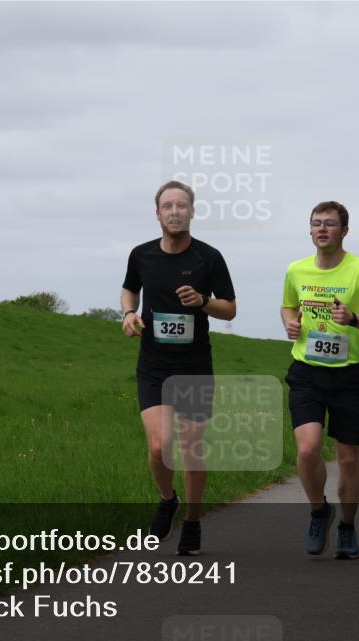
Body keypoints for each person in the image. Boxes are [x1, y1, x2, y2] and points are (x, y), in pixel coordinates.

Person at [121, 181, 236, 556]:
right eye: (167, 206)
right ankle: (168, 499)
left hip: (194, 366)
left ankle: (193, 520)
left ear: (192, 212)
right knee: (159, 446)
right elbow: (129, 289)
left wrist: (203, 301)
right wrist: (128, 312)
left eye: (181, 205)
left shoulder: (209, 257)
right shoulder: (141, 255)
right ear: (157, 213)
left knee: (191, 449)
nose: (174, 211)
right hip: (154, 365)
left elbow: (230, 308)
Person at [281, 201, 359, 559]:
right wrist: (289, 322)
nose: (322, 229)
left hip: (350, 374)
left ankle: (346, 526)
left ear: (345, 230)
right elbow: (288, 305)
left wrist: (355, 320)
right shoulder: (296, 271)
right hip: (307, 372)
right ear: (309, 230)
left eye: (330, 224)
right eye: (316, 223)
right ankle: (318, 512)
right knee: (308, 449)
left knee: (347, 459)